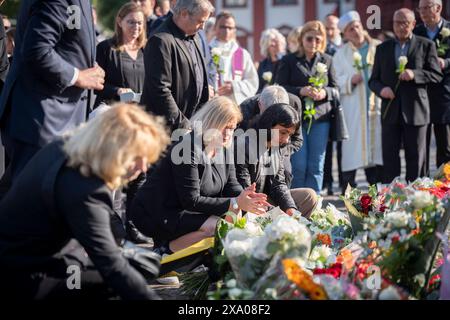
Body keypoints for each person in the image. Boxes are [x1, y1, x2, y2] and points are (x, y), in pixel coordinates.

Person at [0, 104, 170, 300]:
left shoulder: (64, 149)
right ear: (113, 149)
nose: (143, 167)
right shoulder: (87, 189)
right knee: (116, 279)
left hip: (17, 257)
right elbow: (111, 265)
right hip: (24, 274)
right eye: (137, 157)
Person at [130, 97, 270, 254]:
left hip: (181, 209)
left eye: (233, 128)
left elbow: (231, 185)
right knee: (216, 226)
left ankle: (195, 259)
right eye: (225, 127)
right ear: (211, 122)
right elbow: (191, 199)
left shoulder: (223, 148)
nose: (229, 133)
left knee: (235, 216)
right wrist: (236, 202)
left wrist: (249, 199)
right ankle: (163, 255)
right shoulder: (188, 147)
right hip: (155, 211)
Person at [0, 0, 104, 200]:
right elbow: (37, 50)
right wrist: (77, 76)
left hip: (56, 119)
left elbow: (66, 43)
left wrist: (89, 65)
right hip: (42, 118)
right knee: (29, 204)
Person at [369, 8, 443, 183]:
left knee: (416, 159)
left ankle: (415, 200)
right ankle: (390, 199)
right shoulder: (383, 48)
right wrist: (382, 90)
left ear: (413, 24)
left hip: (416, 111)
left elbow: (436, 75)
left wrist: (415, 75)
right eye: (397, 22)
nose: (401, 26)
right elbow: (373, 80)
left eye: (405, 22)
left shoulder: (426, 45)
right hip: (390, 111)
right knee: (390, 158)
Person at [276, 21, 337, 193]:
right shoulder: (289, 60)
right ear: (302, 39)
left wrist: (325, 93)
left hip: (321, 119)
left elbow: (336, 89)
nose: (314, 43)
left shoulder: (328, 60)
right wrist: (300, 91)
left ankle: (315, 207)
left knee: (316, 165)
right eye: (310, 39)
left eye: (318, 40)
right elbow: (279, 87)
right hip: (295, 120)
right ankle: (297, 206)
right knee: (299, 165)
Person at [141, 0, 213, 132]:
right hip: (164, 129)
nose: (202, 27)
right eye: (200, 21)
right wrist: (183, 124)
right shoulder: (161, 40)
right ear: (184, 14)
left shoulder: (193, 36)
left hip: (191, 123)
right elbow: (160, 89)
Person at [235, 103, 317, 219]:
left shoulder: (276, 146)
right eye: (283, 132)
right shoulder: (244, 146)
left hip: (265, 200)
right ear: (269, 125)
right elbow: (245, 193)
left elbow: (278, 184)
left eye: (290, 134)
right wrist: (277, 213)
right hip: (246, 204)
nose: (287, 139)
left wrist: (290, 209)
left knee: (309, 196)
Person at [333, 11, 383, 192]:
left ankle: (377, 196)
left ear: (362, 26)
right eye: (350, 29)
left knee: (376, 153)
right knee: (351, 153)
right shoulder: (340, 55)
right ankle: (349, 195)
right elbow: (334, 80)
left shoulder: (378, 47)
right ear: (345, 34)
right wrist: (349, 81)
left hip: (376, 106)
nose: (355, 31)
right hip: (352, 109)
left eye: (357, 26)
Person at [239, 85, 303, 188]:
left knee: (285, 173)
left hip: (281, 148)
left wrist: (278, 152)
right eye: (269, 115)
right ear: (260, 105)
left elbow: (297, 139)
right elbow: (237, 143)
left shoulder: (294, 103)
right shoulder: (245, 109)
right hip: (251, 151)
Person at [414, 0, 450, 172]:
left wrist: (446, 62)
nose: (423, 12)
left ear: (439, 8)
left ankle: (445, 184)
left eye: (427, 8)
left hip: (444, 94)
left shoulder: (449, 31)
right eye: (420, 8)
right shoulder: (417, 31)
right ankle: (423, 182)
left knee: (445, 141)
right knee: (421, 141)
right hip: (421, 92)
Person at [95, 3, 146, 107]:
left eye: (139, 23)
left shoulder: (147, 49)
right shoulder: (105, 48)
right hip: (113, 112)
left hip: (140, 113)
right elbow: (95, 84)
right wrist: (117, 91)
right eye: (131, 22)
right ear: (119, 22)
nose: (136, 27)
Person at [209, 11, 259, 105]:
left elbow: (253, 82)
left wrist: (234, 87)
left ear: (234, 30)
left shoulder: (242, 54)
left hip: (235, 105)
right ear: (215, 28)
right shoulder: (205, 52)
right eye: (223, 27)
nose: (227, 31)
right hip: (210, 104)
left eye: (230, 28)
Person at [323, 14, 344, 195]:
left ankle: (345, 182)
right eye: (327, 28)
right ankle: (327, 182)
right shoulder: (323, 48)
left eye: (333, 28)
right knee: (327, 146)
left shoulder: (344, 47)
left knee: (343, 144)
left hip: (346, 100)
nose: (330, 31)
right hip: (327, 103)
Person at [257, 28, 286, 93]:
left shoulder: (287, 61)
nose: (274, 45)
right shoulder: (263, 64)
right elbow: (258, 87)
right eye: (271, 44)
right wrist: (265, 88)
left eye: (276, 42)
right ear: (266, 47)